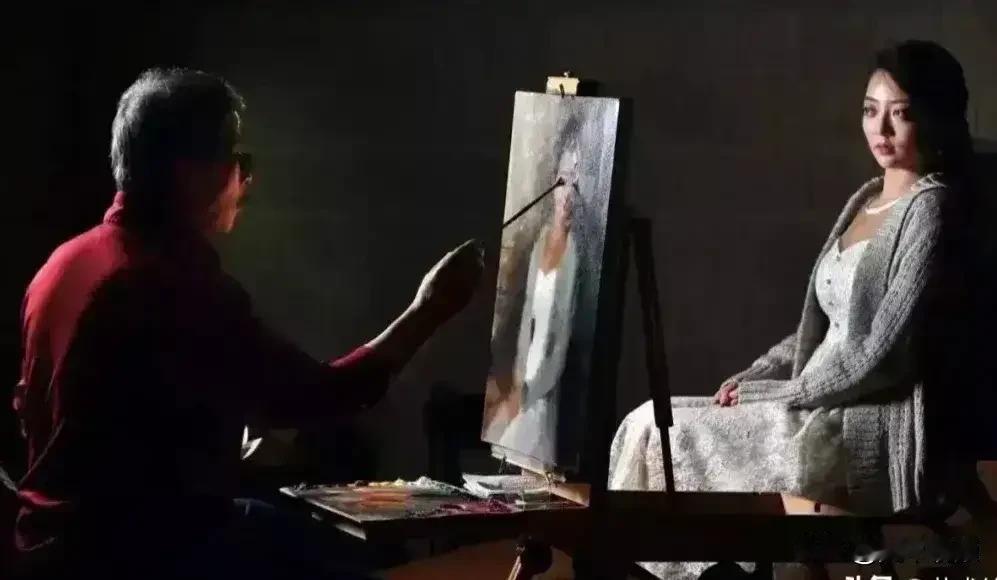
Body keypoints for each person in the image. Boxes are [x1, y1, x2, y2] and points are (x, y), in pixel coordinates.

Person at [11, 68, 483, 579]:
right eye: (239, 160)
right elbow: (320, 395)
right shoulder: (173, 283)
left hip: (48, 550)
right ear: (191, 172)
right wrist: (428, 310)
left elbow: (63, 419)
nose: (247, 179)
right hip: (136, 557)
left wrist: (207, 445)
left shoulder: (62, 265)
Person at [610, 39, 974, 578]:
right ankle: (651, 566)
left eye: (901, 114)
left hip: (860, 415)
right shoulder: (867, 198)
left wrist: (783, 393)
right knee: (646, 422)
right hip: (809, 397)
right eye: (870, 111)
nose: (881, 129)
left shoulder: (930, 209)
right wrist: (758, 375)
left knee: (665, 432)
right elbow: (822, 327)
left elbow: (884, 355)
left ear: (934, 118)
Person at [493, 121, 583, 464]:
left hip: (547, 395)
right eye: (564, 179)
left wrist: (529, 393)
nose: (569, 192)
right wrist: (517, 386)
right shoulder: (543, 239)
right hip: (524, 386)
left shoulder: (577, 252)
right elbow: (526, 324)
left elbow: (560, 341)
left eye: (577, 182)